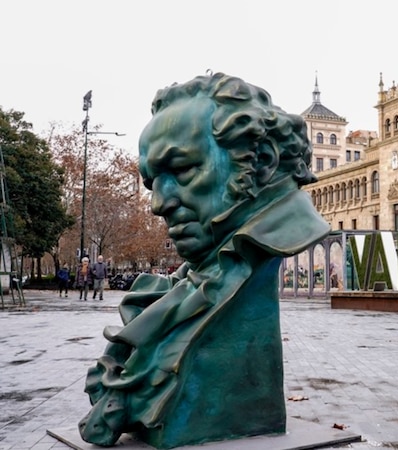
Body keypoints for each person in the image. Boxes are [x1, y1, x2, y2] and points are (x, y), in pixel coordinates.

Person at [79, 73, 330, 447]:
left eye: (181, 170)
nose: (158, 204)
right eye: (152, 183)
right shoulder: (199, 270)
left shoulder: (252, 252)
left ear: (262, 161)